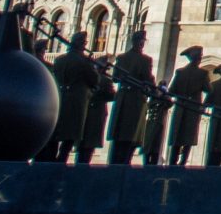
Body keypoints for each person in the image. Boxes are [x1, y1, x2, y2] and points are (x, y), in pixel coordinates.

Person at [48, 34, 100, 163]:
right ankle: (61, 161)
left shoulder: (59, 60)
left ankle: (49, 160)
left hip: (59, 97)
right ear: (82, 44)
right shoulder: (84, 62)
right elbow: (94, 80)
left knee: (55, 131)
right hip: (77, 100)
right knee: (71, 134)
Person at [107, 32, 157, 165]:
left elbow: (115, 77)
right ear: (137, 42)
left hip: (122, 97)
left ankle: (116, 162)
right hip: (135, 99)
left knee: (119, 135)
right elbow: (148, 79)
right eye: (141, 41)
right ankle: (124, 162)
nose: (141, 44)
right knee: (132, 134)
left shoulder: (122, 58)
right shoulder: (145, 60)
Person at [165, 45, 209, 166]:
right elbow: (208, 89)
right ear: (198, 58)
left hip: (180, 106)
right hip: (193, 108)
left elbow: (171, 91)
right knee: (189, 136)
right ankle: (183, 161)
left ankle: (172, 162)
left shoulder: (180, 72)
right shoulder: (202, 73)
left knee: (177, 135)